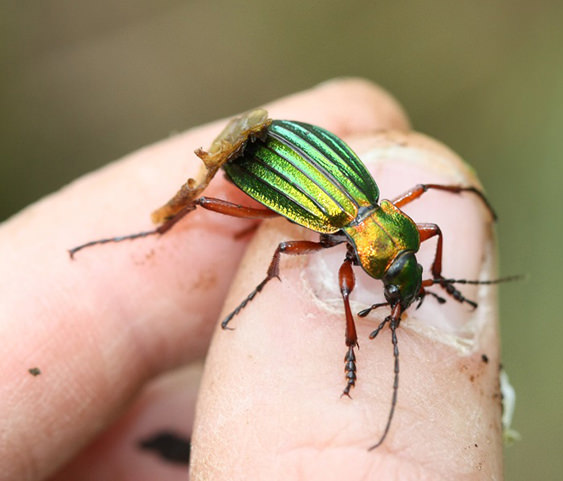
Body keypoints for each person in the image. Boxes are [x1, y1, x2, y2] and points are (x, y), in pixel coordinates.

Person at [0, 79, 504, 480]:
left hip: (298, 146)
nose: (399, 294)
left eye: (400, 283)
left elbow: (426, 220)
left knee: (310, 238)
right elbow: (289, 249)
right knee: (277, 241)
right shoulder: (357, 233)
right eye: (399, 285)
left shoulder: (390, 218)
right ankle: (138, 237)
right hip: (262, 160)